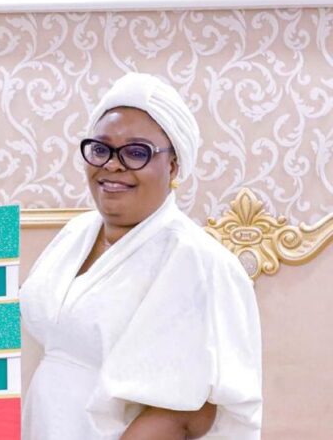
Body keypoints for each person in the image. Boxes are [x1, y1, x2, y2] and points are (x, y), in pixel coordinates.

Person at [19, 73, 262, 439]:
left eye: (136, 153)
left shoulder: (197, 261)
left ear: (173, 165)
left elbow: (184, 413)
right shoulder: (74, 234)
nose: (112, 165)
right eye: (100, 149)